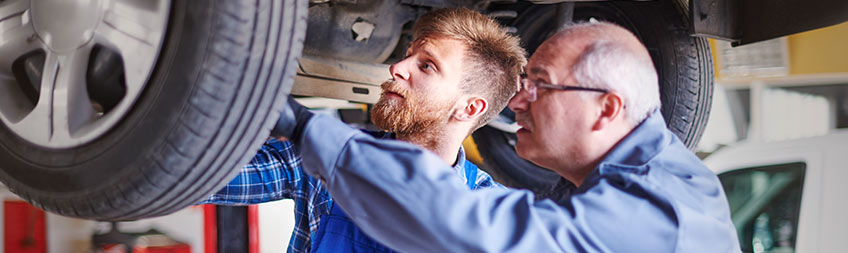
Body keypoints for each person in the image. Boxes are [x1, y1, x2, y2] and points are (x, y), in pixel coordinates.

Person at [278, 22, 741, 252]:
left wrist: (302, 125)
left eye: (541, 85)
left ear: (607, 108)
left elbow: (471, 227)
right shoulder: (634, 182)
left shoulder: (658, 213)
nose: (518, 102)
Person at [201, 8, 527, 253]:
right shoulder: (327, 154)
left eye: (426, 65)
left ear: (469, 108)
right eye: (407, 55)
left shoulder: (493, 216)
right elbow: (196, 175)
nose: (397, 68)